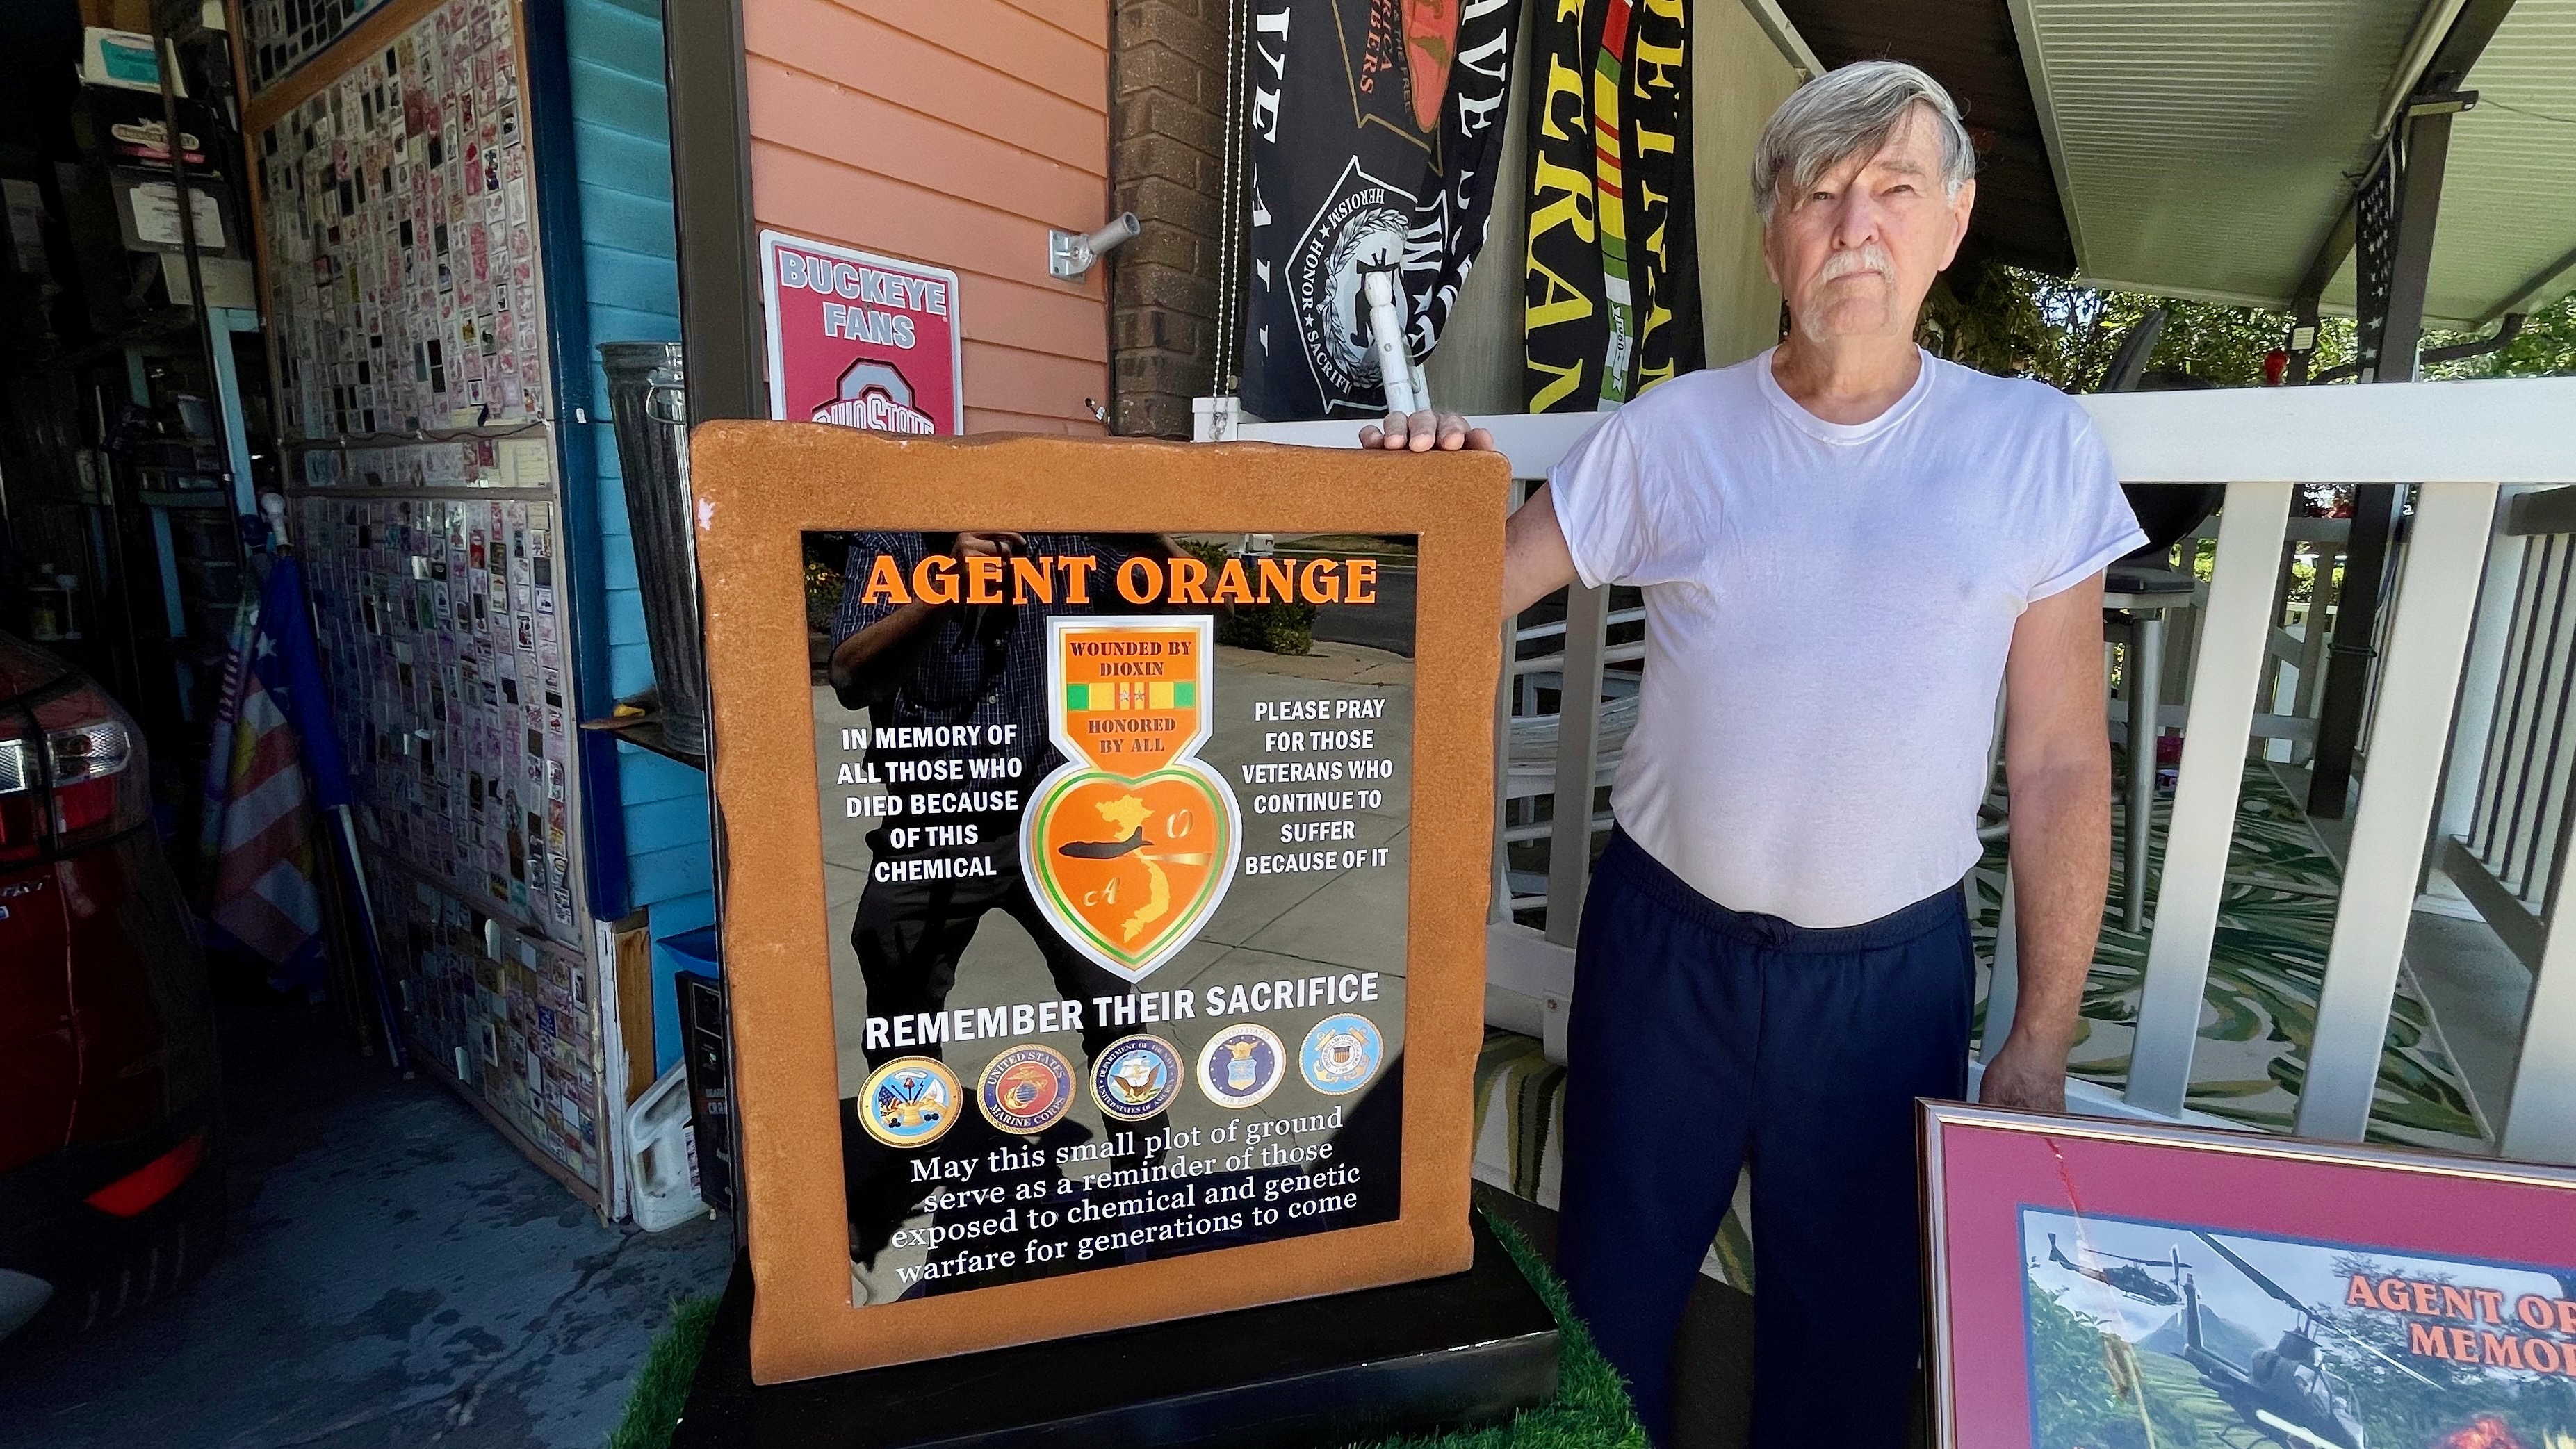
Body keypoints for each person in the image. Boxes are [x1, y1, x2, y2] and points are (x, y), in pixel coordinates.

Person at [1362, 60, 2141, 1447]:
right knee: (1604, 1305)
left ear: (1950, 220)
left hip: (1885, 973)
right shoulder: (1672, 431)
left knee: (1849, 1336)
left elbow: (2060, 762)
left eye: (1894, 188)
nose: (1857, 223)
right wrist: (1420, 500)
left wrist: (2039, 1032)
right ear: (1771, 228)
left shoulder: (2031, 445)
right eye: (1819, 193)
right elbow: (1466, 590)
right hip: (1664, 950)